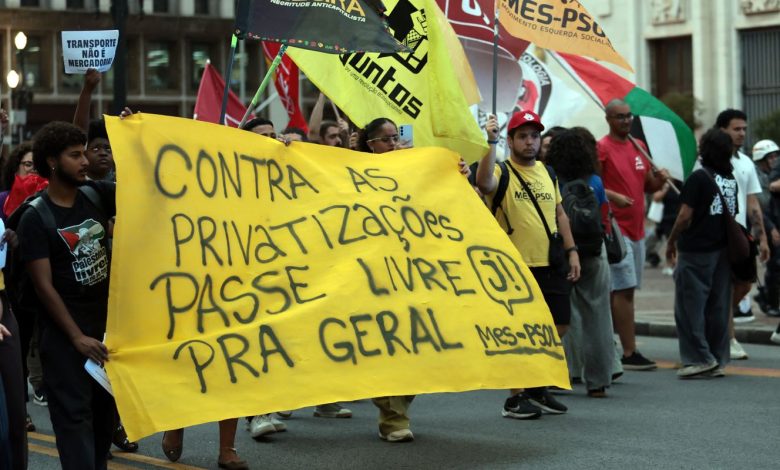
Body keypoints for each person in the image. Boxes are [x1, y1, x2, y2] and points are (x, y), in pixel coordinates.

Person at [360, 117, 470, 441]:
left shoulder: (413, 170)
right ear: (370, 145)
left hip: (414, 273)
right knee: (388, 346)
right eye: (386, 139)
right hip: (374, 277)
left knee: (418, 345)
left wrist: (456, 175)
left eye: (396, 137)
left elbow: (439, 200)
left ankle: (397, 406)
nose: (394, 144)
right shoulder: (354, 173)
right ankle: (393, 418)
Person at [16, 121, 116, 470]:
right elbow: (43, 286)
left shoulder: (95, 195)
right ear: (52, 162)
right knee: (75, 429)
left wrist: (132, 135)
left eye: (84, 152)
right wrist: (76, 337)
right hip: (64, 342)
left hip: (105, 336)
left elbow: (146, 187)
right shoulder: (35, 217)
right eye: (75, 155)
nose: (85, 161)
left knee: (103, 426)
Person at [476, 110, 580, 419]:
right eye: (522, 136)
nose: (530, 142)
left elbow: (560, 214)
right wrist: (489, 141)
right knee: (519, 332)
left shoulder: (548, 172)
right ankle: (515, 397)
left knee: (559, 324)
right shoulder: (501, 171)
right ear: (510, 141)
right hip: (515, 266)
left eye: (535, 136)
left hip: (551, 261)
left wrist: (572, 251)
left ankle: (535, 387)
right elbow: (483, 182)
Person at [597, 99, 669, 371]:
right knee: (623, 289)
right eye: (620, 117)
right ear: (608, 119)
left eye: (629, 116)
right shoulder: (602, 148)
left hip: (638, 229)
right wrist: (614, 196)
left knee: (623, 290)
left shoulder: (639, 146)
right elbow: (592, 185)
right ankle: (629, 351)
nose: (626, 121)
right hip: (616, 229)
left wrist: (660, 178)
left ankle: (611, 343)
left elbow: (648, 185)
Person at [547, 128, 615, 397]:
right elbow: (604, 215)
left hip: (560, 254)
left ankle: (559, 373)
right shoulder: (595, 181)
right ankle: (598, 381)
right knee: (597, 317)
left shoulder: (551, 180)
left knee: (559, 316)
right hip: (593, 253)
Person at [666, 129, 738, 378]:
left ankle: (699, 358)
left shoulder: (698, 177)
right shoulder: (730, 178)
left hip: (696, 250)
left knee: (690, 307)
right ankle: (717, 357)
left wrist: (671, 241)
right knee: (718, 306)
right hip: (723, 250)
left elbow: (684, 216)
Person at [716, 109, 769, 360]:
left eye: (744, 129)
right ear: (722, 130)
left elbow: (753, 203)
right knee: (724, 286)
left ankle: (717, 323)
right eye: (736, 129)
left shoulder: (746, 162)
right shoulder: (708, 161)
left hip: (741, 235)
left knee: (745, 284)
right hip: (716, 235)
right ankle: (729, 338)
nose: (742, 133)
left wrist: (763, 237)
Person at [754, 139, 780, 317]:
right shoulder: (758, 178)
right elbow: (759, 208)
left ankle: (766, 296)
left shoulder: (774, 175)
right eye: (770, 157)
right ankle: (769, 300)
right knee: (775, 265)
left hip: (774, 224)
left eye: (775, 156)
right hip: (765, 226)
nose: (774, 159)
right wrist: (771, 229)